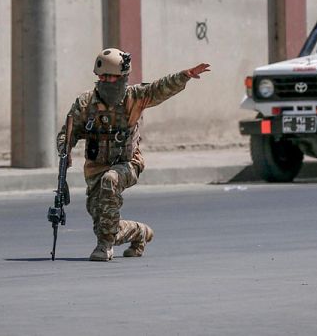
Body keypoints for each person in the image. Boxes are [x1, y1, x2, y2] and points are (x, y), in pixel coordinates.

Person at [58, 48, 210, 261]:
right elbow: (68, 132)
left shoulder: (134, 97)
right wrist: (64, 150)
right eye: (101, 76)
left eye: (110, 77)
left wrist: (184, 75)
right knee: (103, 222)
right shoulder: (85, 103)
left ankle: (104, 247)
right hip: (96, 167)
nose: (105, 81)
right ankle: (139, 232)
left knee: (110, 182)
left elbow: (160, 88)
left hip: (127, 163)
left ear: (121, 78)